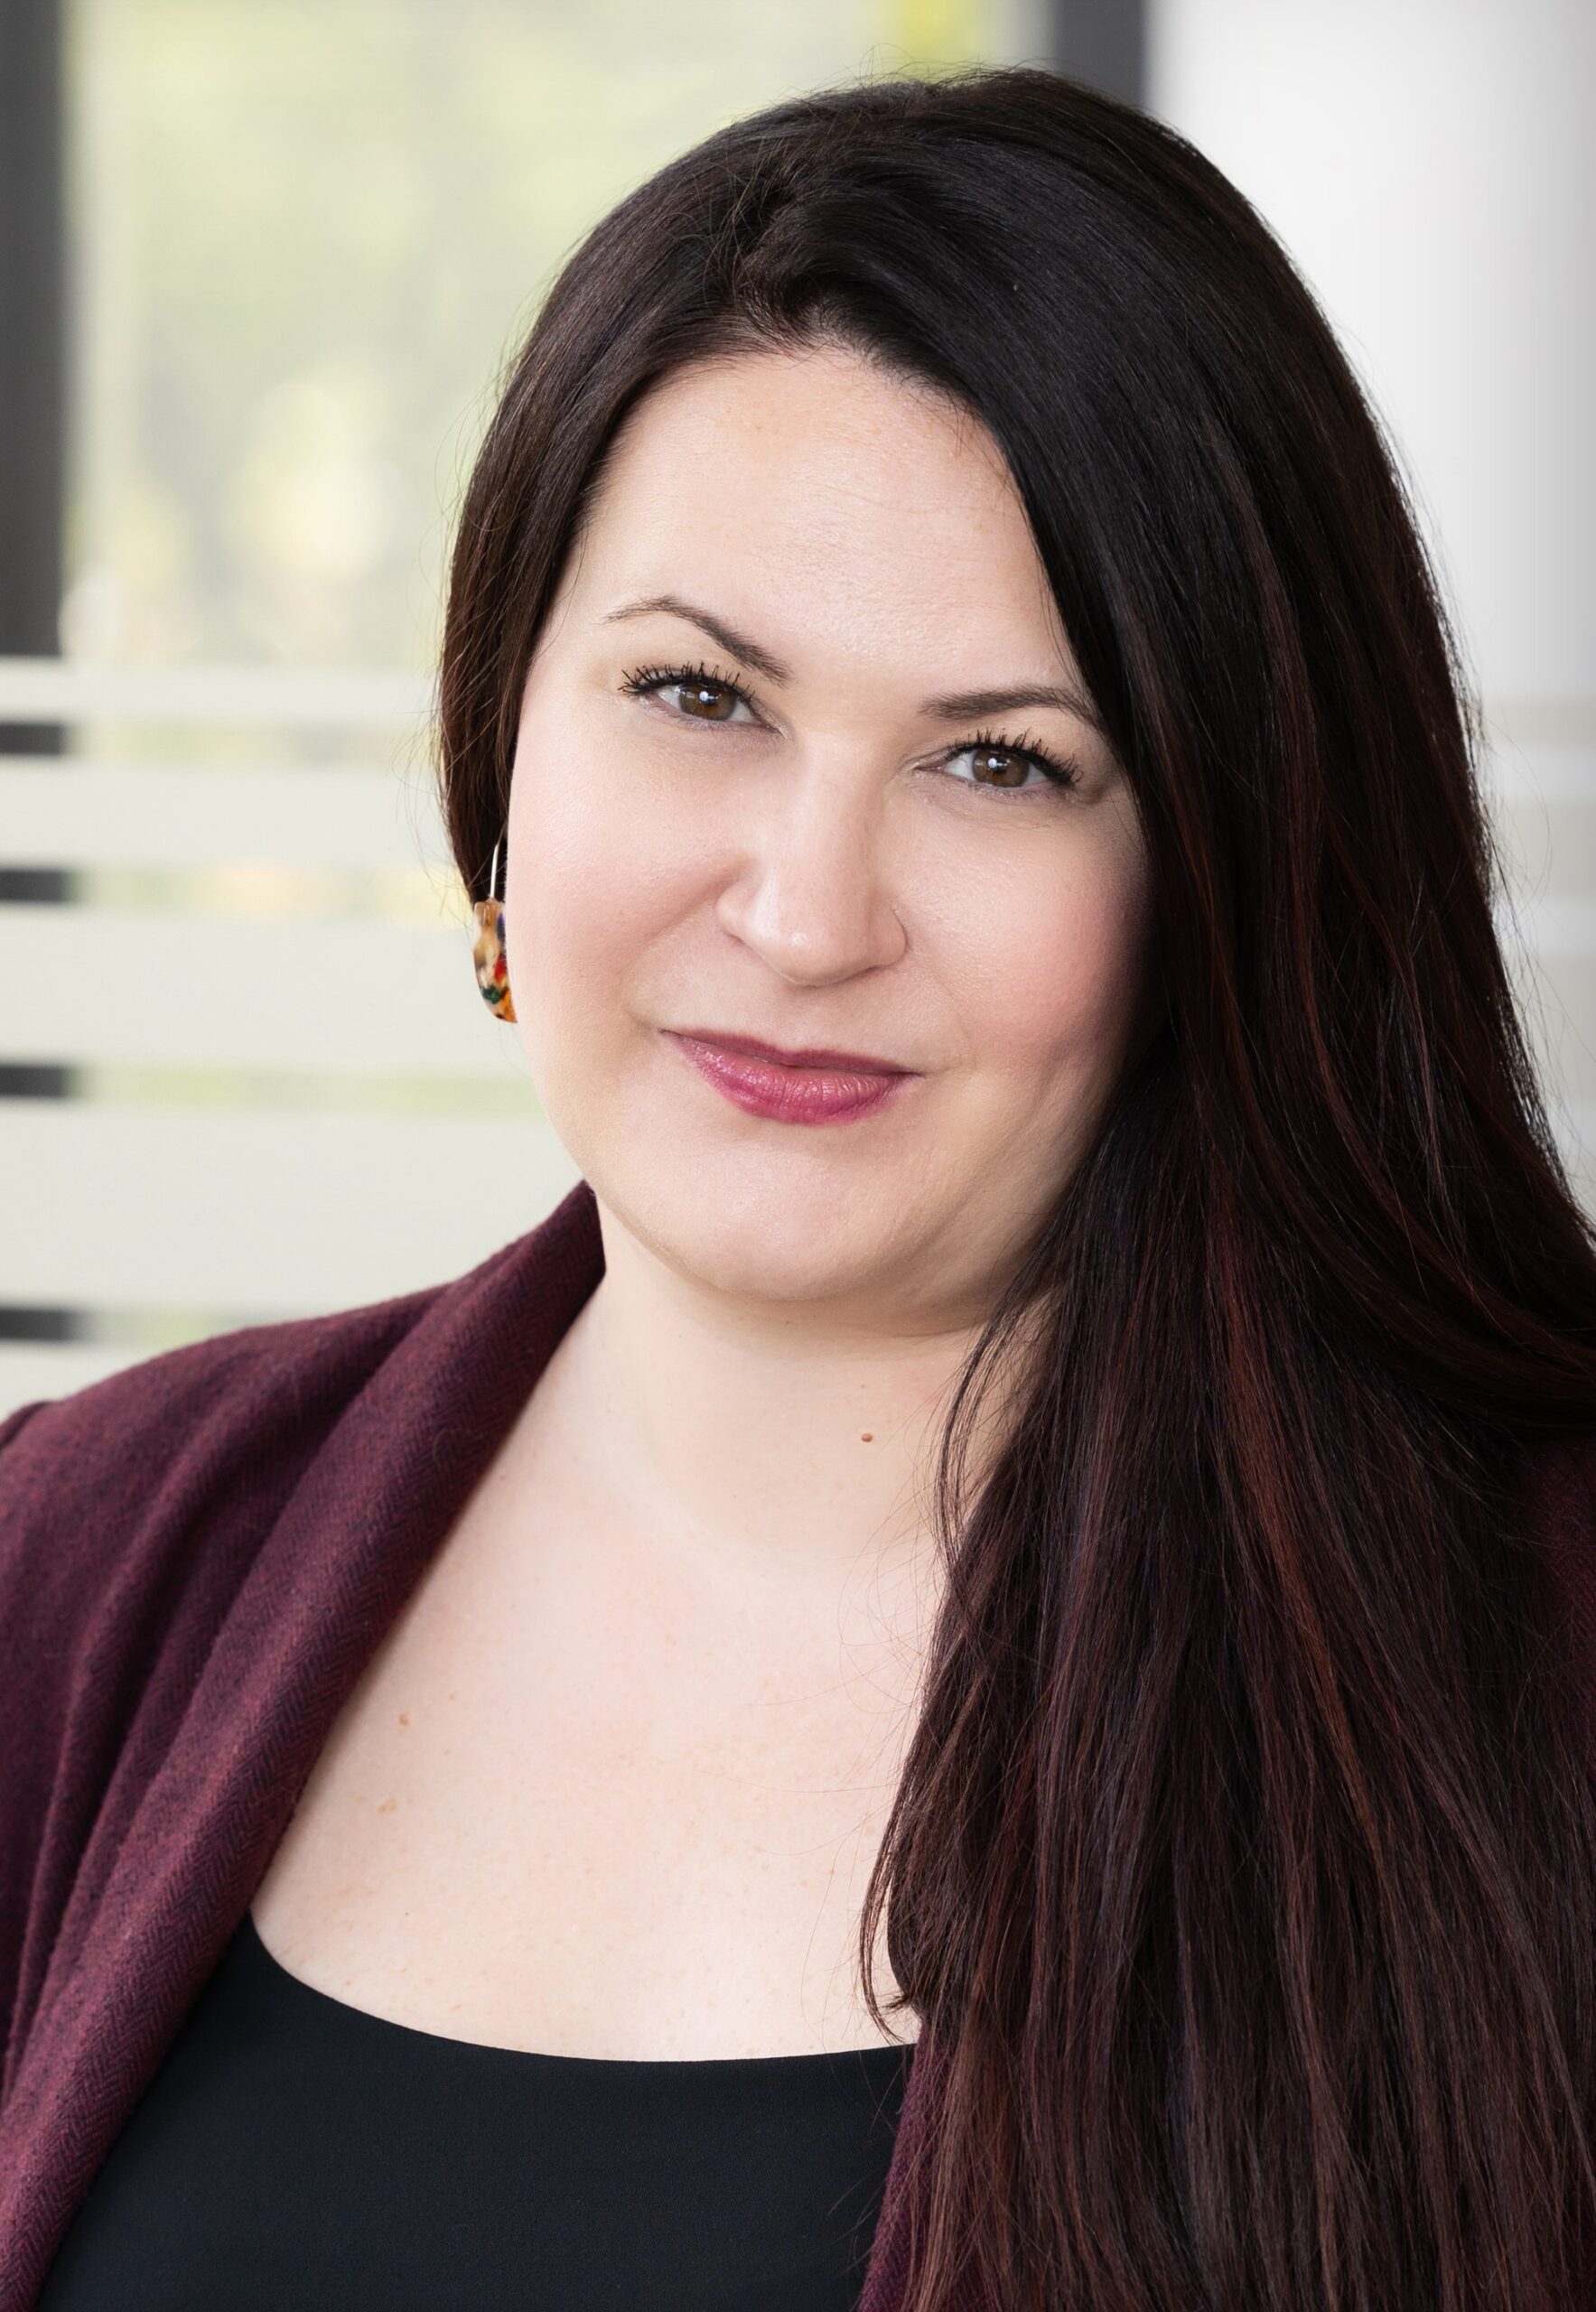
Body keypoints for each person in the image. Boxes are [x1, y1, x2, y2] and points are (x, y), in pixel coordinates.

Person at [5, 61, 1596, 2312]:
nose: (803, 907)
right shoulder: (78, 1561)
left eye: (994, 759)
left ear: (1223, 870)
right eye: (696, 694)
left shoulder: (1534, 1638)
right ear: (496, 746)